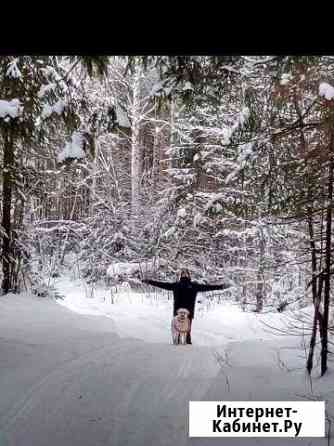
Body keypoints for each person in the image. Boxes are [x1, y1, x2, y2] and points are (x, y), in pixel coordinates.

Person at [142, 268, 228, 344]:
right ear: (189, 276)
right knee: (187, 331)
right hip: (188, 312)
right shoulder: (194, 286)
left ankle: (180, 345)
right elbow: (208, 287)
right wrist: (221, 287)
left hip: (178, 312)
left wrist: (149, 282)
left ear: (180, 276)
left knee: (178, 331)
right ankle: (187, 344)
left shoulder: (176, 285)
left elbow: (161, 284)